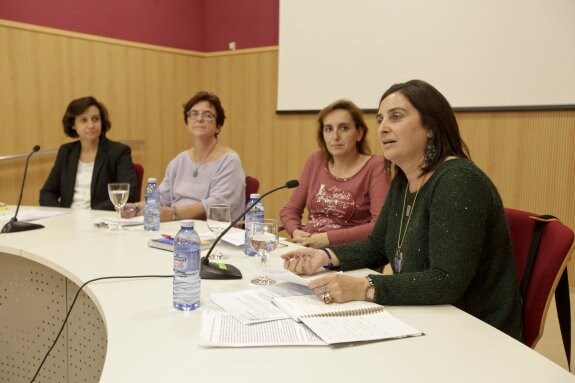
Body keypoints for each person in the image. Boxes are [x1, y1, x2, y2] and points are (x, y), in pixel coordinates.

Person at [281, 80, 523, 340]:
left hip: (474, 330)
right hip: (426, 314)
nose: (383, 128)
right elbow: (377, 245)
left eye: (396, 117)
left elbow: (446, 281)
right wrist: (325, 257)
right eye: (380, 119)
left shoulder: (458, 180)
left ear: (430, 126)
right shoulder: (403, 180)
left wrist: (365, 287)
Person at [280, 99, 391, 248]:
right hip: (308, 246)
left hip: (347, 253)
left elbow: (379, 226)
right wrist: (295, 231)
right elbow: (290, 210)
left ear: (359, 133)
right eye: (328, 129)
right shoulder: (316, 159)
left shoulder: (375, 165)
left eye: (344, 128)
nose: (335, 136)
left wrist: (327, 238)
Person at [123, 91, 245, 221]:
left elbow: (217, 205)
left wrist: (173, 213)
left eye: (208, 115)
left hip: (211, 231)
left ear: (218, 127)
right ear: (187, 122)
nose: (199, 119)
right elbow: (161, 199)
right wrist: (135, 208)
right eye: (193, 114)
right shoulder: (179, 161)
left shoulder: (229, 161)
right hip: (174, 229)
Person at [39, 96, 137, 211]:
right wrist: (61, 214)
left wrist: (91, 214)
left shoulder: (118, 152)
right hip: (68, 221)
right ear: (73, 125)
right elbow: (47, 193)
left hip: (100, 221)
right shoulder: (66, 152)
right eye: (83, 120)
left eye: (95, 119)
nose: (91, 125)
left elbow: (129, 194)